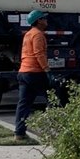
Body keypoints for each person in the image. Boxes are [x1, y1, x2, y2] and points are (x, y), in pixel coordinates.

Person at [14, 10, 49, 139]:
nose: (46, 20)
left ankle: (19, 133)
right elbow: (39, 54)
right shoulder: (38, 35)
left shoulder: (28, 34)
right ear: (38, 21)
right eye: (44, 18)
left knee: (23, 103)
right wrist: (47, 71)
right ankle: (54, 129)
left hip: (23, 72)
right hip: (35, 72)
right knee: (53, 97)